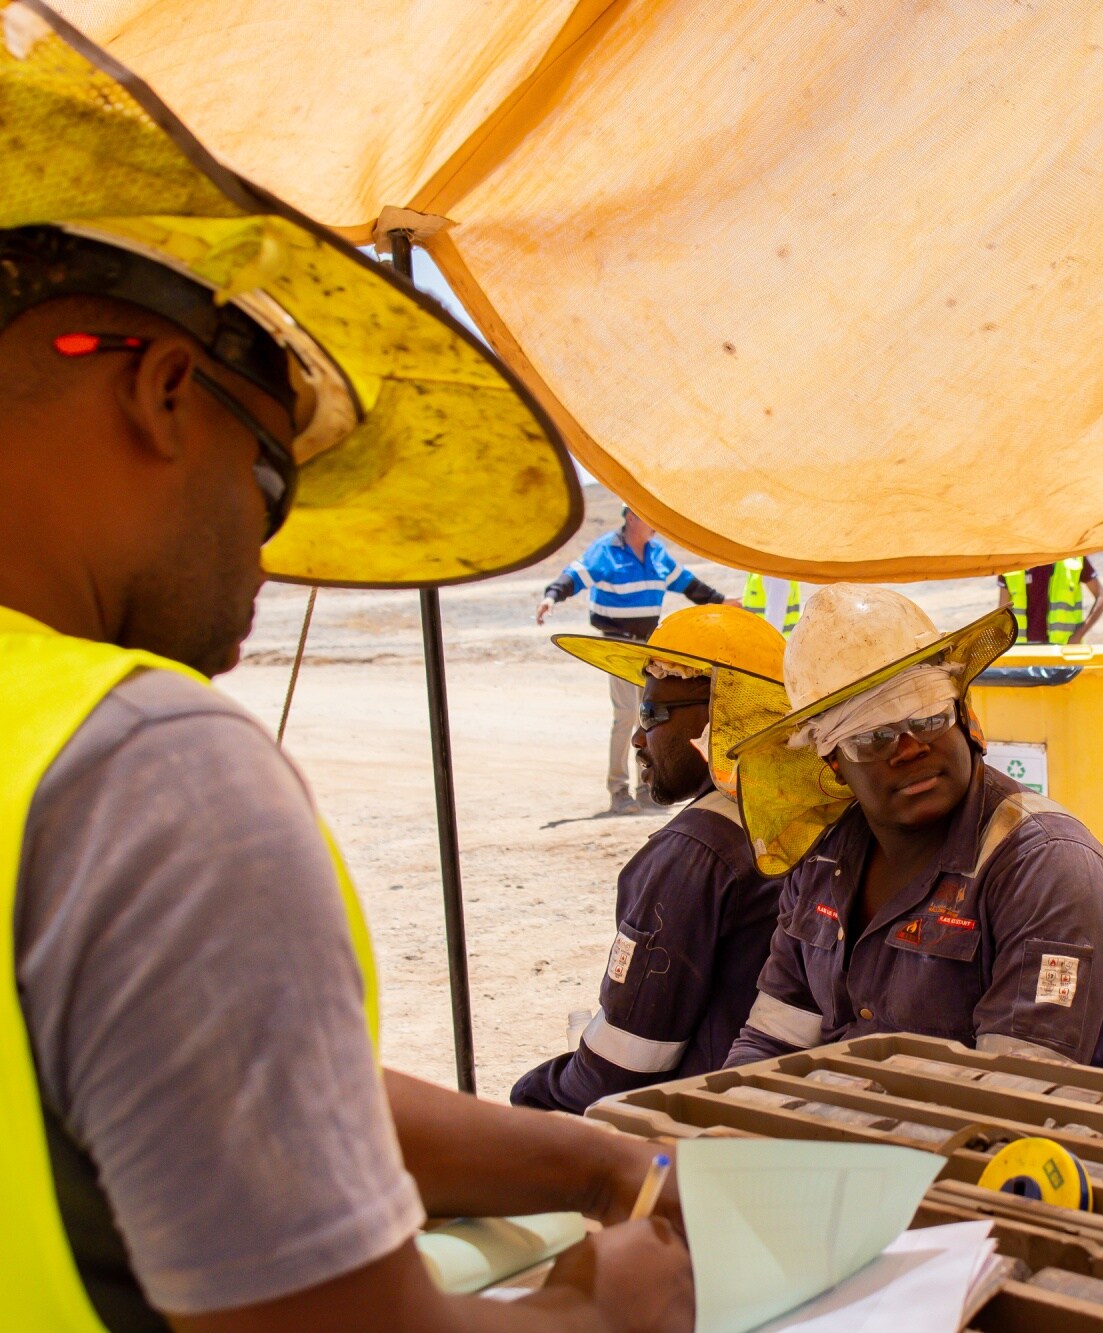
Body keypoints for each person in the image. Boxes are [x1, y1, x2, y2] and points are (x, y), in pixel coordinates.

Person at [0, 21, 689, 1328]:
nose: (270, 558)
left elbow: (210, 1084)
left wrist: (598, 1160)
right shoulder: (147, 772)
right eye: (269, 482)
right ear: (157, 389)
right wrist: (603, 1309)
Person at [723, 586, 1103, 1068]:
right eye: (873, 736)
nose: (909, 748)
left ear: (964, 717)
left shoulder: (1048, 869)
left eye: (928, 717)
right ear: (833, 761)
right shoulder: (823, 861)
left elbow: (1017, 1096)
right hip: (843, 1134)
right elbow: (771, 1043)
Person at [514, 606, 791, 1111]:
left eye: (652, 714)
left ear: (721, 720)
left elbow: (622, 1065)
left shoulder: (694, 853)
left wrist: (535, 1092)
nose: (640, 738)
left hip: (704, 1125)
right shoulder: (800, 817)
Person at [537, 506, 731, 814]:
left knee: (651, 715)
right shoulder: (606, 551)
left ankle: (647, 785)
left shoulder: (657, 554)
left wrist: (723, 602)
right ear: (631, 518)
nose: (655, 525)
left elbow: (689, 585)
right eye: (648, 517)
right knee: (626, 714)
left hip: (649, 651)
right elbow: (574, 576)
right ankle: (618, 790)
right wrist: (551, 597)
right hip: (619, 646)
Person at [996, 558, 1103, 645]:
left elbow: (1102, 598)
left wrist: (1078, 635)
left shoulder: (1073, 559)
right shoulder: (1011, 563)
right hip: (1024, 652)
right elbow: (1002, 613)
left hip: (1062, 650)